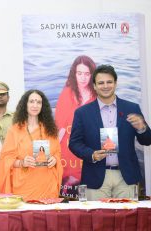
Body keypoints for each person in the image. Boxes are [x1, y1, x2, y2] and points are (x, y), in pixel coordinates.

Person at [69, 64, 151, 200]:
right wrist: (92, 154)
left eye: (109, 82)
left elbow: (148, 140)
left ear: (115, 83)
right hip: (95, 177)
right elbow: (74, 143)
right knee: (97, 221)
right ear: (94, 86)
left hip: (126, 177)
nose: (105, 86)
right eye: (101, 83)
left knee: (127, 220)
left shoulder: (131, 108)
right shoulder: (82, 113)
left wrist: (142, 127)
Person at [0, 90, 63, 200]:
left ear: (43, 106)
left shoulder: (50, 130)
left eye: (38, 102)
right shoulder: (15, 130)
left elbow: (57, 153)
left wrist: (55, 159)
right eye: (31, 101)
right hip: (23, 187)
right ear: (25, 104)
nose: (35, 105)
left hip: (46, 185)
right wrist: (22, 162)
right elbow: (5, 159)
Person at [55, 55, 97, 197]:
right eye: (79, 73)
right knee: (69, 194)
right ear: (74, 74)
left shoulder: (97, 96)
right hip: (67, 151)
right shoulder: (66, 93)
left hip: (89, 148)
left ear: (92, 75)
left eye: (86, 74)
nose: (83, 78)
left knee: (89, 196)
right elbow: (59, 127)